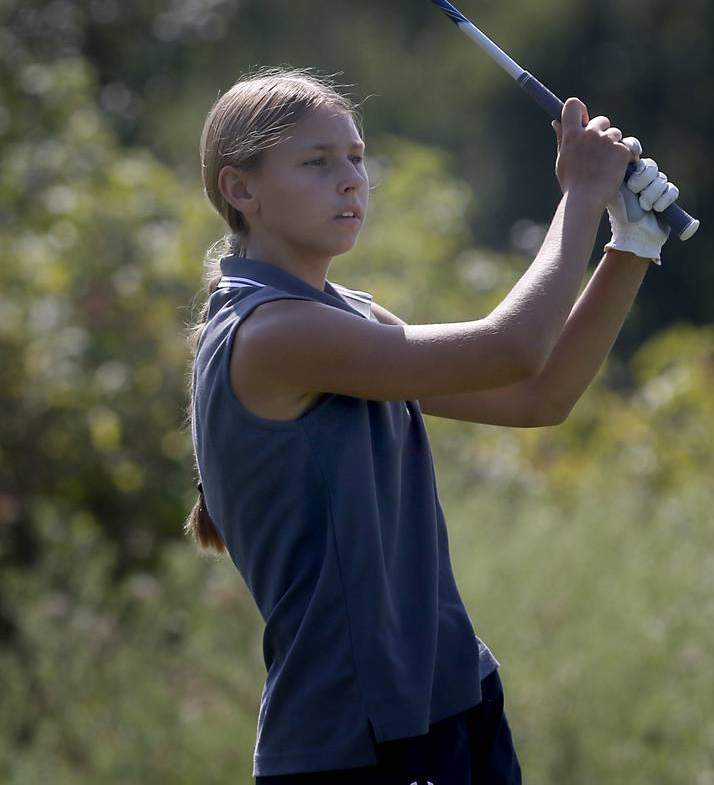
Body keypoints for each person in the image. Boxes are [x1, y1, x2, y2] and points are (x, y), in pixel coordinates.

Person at [184, 64, 678, 784]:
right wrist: (579, 196)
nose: (351, 180)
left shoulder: (346, 316)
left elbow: (538, 394)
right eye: (316, 163)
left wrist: (629, 246)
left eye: (355, 157)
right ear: (241, 189)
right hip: (356, 740)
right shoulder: (272, 334)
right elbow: (509, 345)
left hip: (455, 699)